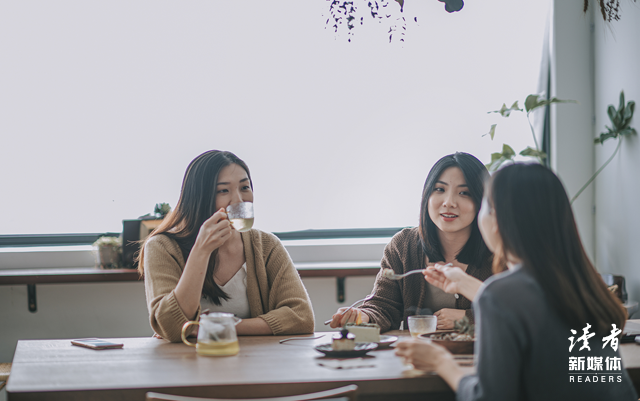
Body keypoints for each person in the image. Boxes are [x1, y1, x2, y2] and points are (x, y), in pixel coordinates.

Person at [396, 163, 637, 400]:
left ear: (497, 220)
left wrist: (440, 362)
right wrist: (464, 283)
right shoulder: (581, 282)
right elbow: (527, 309)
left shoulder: (502, 294)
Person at [138, 150, 314, 342]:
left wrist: (218, 327)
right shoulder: (162, 247)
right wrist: (201, 251)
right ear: (199, 197)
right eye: (223, 190)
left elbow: (301, 317)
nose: (239, 200)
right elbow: (171, 327)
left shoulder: (266, 245)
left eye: (245, 187)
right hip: (186, 364)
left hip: (254, 363)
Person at [329, 152, 493, 331]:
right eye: (439, 189)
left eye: (464, 192)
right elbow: (384, 307)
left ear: (482, 201)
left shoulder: (500, 250)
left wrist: (469, 318)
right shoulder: (403, 245)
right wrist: (363, 316)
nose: (449, 202)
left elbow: (519, 311)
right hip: (416, 354)